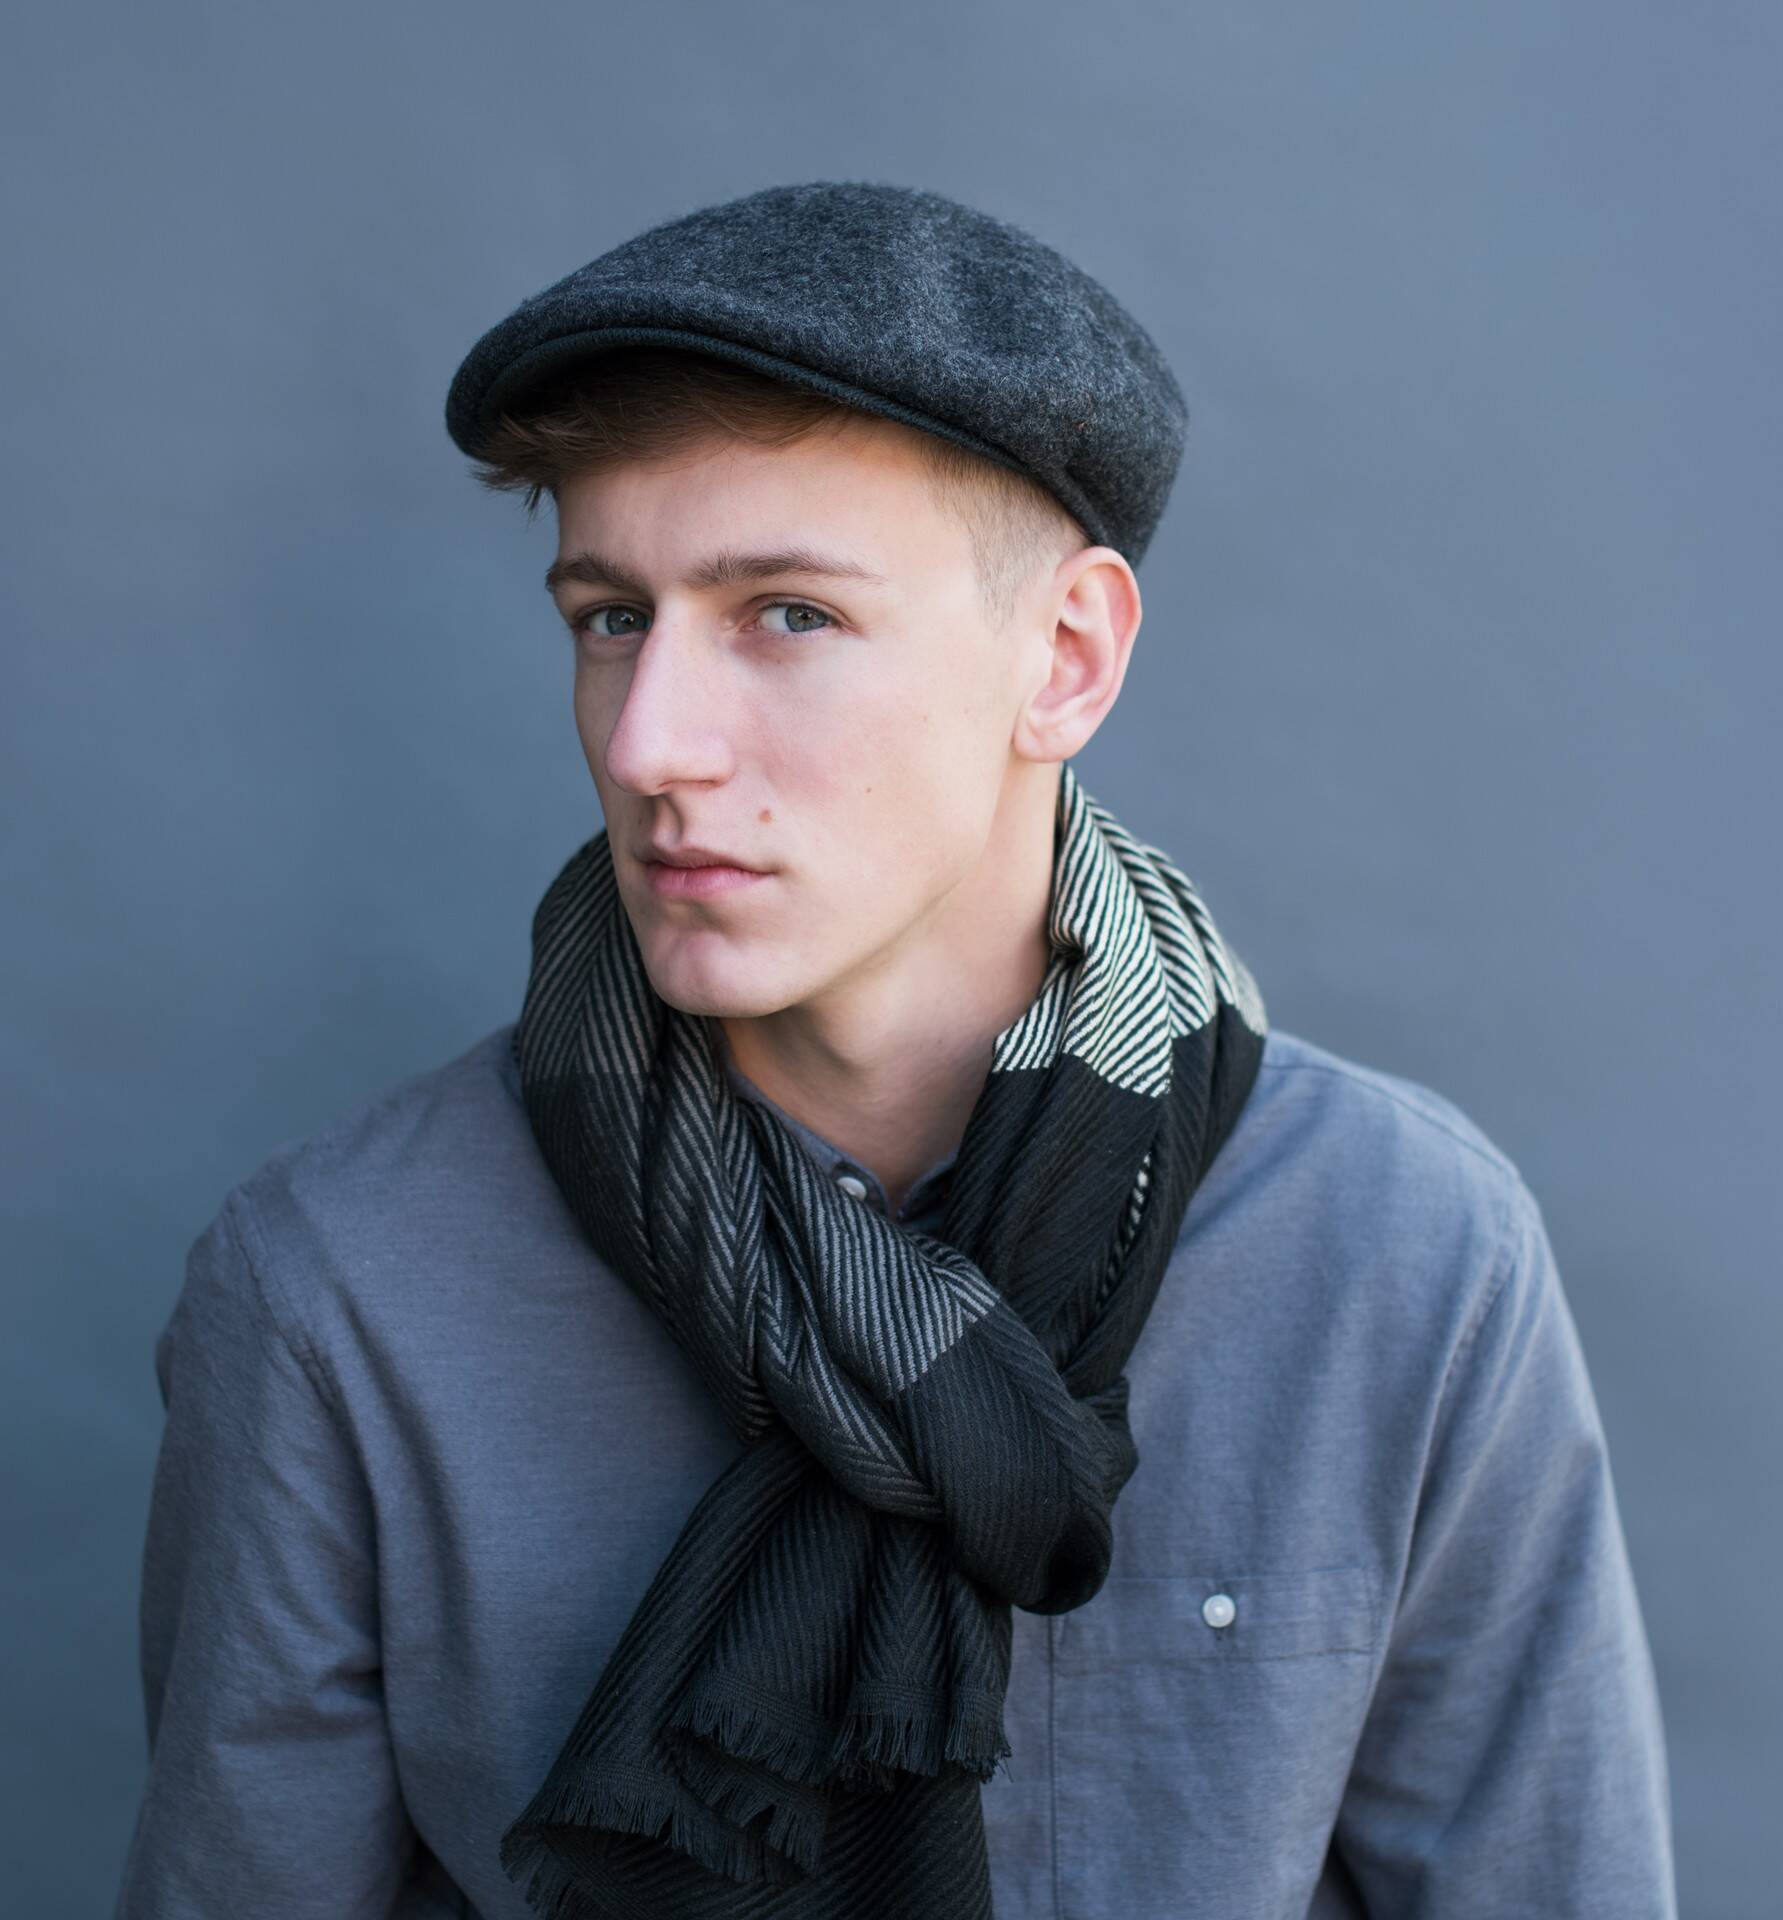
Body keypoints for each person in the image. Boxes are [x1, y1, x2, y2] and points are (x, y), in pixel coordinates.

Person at [114, 180, 1679, 1919]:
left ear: (1065, 659)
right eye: (610, 617)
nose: (648, 745)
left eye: (788, 613)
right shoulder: (344, 1291)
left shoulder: (1399, 1254)